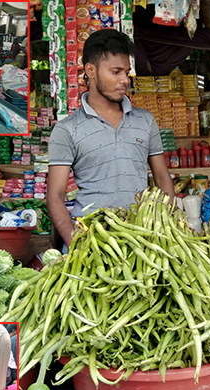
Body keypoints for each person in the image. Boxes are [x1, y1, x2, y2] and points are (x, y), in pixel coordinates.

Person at [47, 29, 175, 253]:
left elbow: (162, 178)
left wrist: (166, 227)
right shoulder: (67, 129)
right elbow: (55, 195)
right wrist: (74, 243)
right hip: (90, 238)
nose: (124, 80)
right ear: (91, 70)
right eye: (115, 72)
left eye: (126, 72)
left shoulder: (145, 121)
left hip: (141, 238)